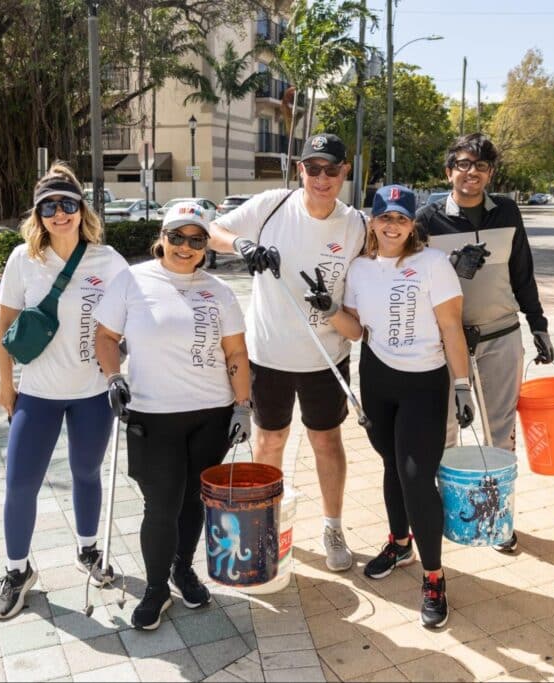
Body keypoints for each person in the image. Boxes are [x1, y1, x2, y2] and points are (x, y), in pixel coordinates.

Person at [305, 185, 472, 628]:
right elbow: (356, 331)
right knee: (391, 466)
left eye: (401, 217)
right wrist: (329, 309)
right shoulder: (360, 269)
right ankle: (400, 543)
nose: (392, 225)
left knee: (417, 478)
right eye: (385, 217)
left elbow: (452, 327)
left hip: (425, 384)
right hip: (378, 381)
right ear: (373, 222)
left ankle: (434, 576)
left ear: (412, 223)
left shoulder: (433, 264)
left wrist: (461, 386)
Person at [207, 133, 367, 572]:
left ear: (344, 173)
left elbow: (384, 267)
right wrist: (242, 245)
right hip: (268, 354)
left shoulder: (356, 224)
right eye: (312, 168)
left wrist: (336, 311)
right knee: (270, 440)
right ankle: (266, 523)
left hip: (325, 357)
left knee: (326, 442)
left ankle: (333, 527)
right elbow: (211, 231)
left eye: (330, 169)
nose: (321, 177)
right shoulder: (272, 205)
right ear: (300, 170)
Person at [93, 201, 252, 630]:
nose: (185, 246)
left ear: (206, 246)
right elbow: (106, 337)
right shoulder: (132, 280)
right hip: (154, 414)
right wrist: (113, 377)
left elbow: (235, 351)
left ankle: (183, 569)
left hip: (211, 414)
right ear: (162, 238)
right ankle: (156, 588)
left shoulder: (219, 291)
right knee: (160, 504)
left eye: (196, 239)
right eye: (176, 237)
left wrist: (242, 405)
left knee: (192, 500)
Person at [0, 163, 132, 620]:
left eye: (67, 204)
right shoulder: (23, 260)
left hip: (92, 392)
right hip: (37, 393)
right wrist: (4, 383)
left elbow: (132, 320)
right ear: (38, 214)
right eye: (49, 206)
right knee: (20, 484)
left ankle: (88, 550)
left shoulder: (108, 260)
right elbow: (5, 327)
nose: (59, 213)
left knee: (86, 473)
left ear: (81, 209)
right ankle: (18, 572)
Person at [414, 133, 552, 554]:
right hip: (445, 342)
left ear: (491, 173)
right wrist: (452, 268)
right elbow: (413, 279)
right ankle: (445, 511)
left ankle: (498, 516)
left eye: (480, 165)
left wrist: (538, 323)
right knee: (444, 431)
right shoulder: (427, 219)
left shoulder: (507, 212)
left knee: (500, 430)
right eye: (462, 163)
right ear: (448, 170)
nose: (470, 172)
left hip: (500, 334)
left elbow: (522, 271)